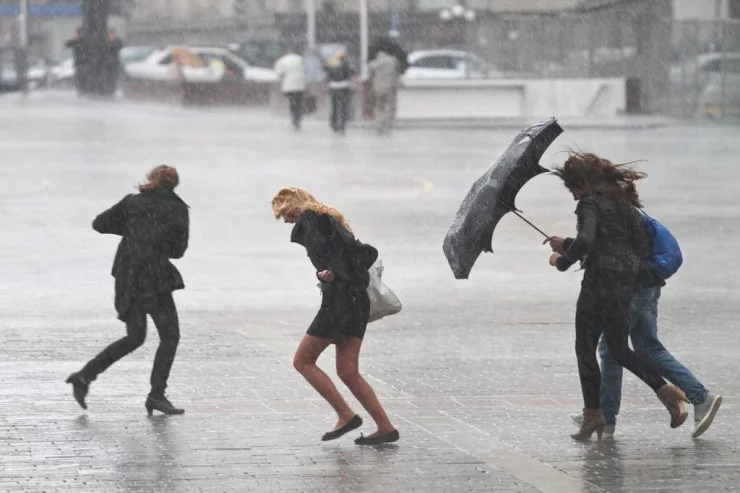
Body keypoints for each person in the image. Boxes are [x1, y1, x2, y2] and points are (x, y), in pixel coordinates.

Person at [547, 163, 723, 439]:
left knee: (599, 349)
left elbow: (592, 241)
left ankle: (602, 415)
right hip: (639, 281)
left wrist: (563, 259)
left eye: (572, 188)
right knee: (635, 347)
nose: (573, 196)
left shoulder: (591, 203)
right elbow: (614, 244)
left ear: (583, 182)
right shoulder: (624, 204)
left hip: (617, 286)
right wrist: (569, 244)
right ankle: (674, 395)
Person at [271, 187, 399, 445]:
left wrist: (333, 273)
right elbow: (357, 254)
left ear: (294, 205)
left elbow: (342, 258)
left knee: (303, 361)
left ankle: (345, 415)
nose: (285, 220)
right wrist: (331, 271)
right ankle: (385, 426)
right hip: (355, 299)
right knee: (348, 371)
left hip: (339, 301)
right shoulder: (330, 220)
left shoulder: (311, 220)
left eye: (285, 213)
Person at [66, 166, 190, 416]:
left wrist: (134, 231)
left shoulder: (133, 202)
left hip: (128, 276)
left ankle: (84, 376)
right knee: (170, 336)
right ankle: (156, 394)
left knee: (135, 336)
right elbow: (178, 251)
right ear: (174, 185)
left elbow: (100, 224)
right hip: (155, 280)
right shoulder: (177, 209)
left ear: (151, 180)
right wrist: (153, 238)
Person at [274, 47, 308, 130]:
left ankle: (294, 118)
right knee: (299, 102)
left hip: (289, 86)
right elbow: (307, 71)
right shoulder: (301, 59)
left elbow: (279, 73)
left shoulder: (283, 60)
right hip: (300, 84)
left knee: (292, 101)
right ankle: (298, 118)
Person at [368, 50, 401, 135]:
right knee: (389, 106)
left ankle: (379, 123)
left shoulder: (373, 64)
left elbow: (370, 76)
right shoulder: (392, 61)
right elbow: (397, 73)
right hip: (389, 87)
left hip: (378, 88)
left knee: (379, 107)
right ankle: (387, 125)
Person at [324, 52, 354, 134]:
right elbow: (351, 74)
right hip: (344, 88)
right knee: (344, 107)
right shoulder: (347, 64)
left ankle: (334, 123)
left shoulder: (332, 64)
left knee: (334, 107)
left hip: (333, 88)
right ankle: (342, 125)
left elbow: (328, 75)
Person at [104, 29, 123, 97]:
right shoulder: (106, 42)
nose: (111, 36)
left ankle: (112, 91)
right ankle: (108, 91)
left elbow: (116, 46)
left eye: (112, 34)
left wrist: (109, 42)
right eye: (110, 34)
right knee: (107, 78)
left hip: (114, 64)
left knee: (113, 79)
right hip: (107, 64)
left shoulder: (117, 42)